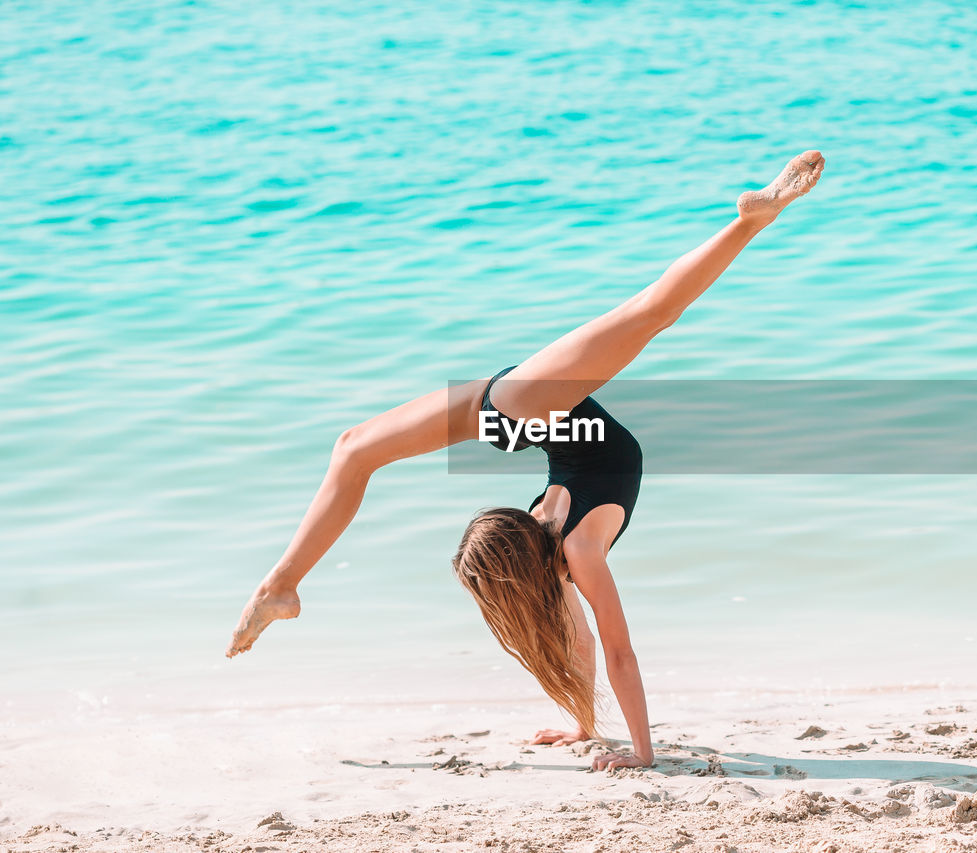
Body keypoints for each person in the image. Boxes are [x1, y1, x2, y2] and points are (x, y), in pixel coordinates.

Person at [225, 150, 825, 770]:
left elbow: (609, 648)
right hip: (529, 416)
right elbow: (602, 646)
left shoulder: (572, 556)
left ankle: (282, 585)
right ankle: (282, 585)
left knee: (647, 317)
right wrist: (597, 734)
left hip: (535, 418)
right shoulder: (571, 557)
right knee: (356, 447)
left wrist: (640, 752)